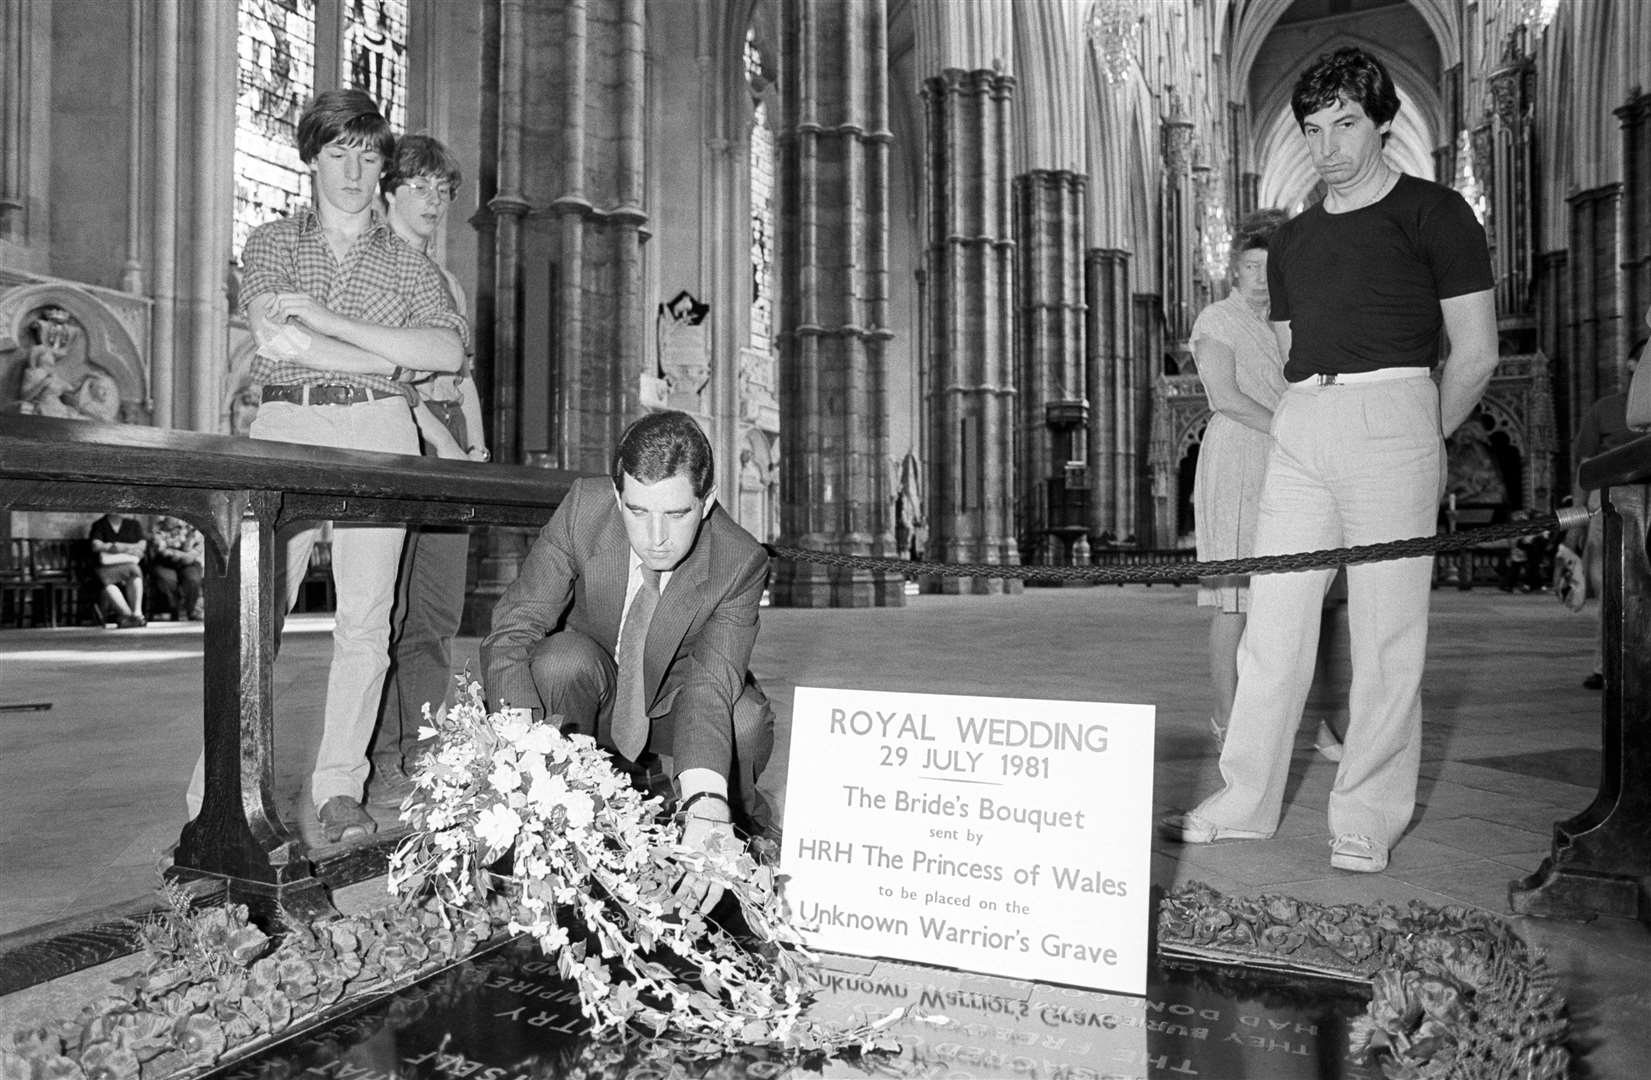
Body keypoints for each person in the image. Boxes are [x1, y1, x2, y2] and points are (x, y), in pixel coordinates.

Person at [1160, 46, 1497, 874]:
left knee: (1387, 634)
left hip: (1395, 410)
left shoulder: (1437, 213)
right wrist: (1304, 413)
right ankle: (1244, 797)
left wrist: (1425, 434)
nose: (1328, 147)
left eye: (1345, 124)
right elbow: (1288, 349)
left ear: (1381, 123)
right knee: (1272, 625)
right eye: (1312, 129)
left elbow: (1477, 352)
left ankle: (1367, 814)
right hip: (1303, 416)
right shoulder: (1296, 240)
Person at [190, 89, 469, 844]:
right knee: (255, 615)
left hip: (381, 434)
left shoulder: (412, 265)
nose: (352, 170)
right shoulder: (272, 240)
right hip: (286, 422)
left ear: (383, 168)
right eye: (337, 153)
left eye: (368, 155)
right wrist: (383, 354)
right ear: (311, 157)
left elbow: (445, 353)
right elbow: (274, 342)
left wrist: (318, 318)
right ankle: (214, 787)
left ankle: (340, 785)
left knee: (366, 622)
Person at [482, 410, 780, 911]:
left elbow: (710, 686)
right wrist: (521, 766)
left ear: (706, 503)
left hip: (676, 705)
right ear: (619, 496)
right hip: (594, 688)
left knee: (744, 718)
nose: (656, 537)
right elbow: (513, 629)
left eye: (677, 514)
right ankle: (571, 805)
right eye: (638, 511)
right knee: (558, 661)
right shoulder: (585, 508)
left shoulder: (738, 560)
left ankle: (743, 824)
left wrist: (708, 807)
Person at [1190, 209, 1344, 758]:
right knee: (1233, 599)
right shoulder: (1216, 319)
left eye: (1269, 266)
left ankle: (1304, 723)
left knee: (1293, 601)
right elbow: (1225, 397)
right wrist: (1292, 428)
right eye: (1251, 266)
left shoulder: (1294, 318)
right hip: (1238, 457)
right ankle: (1228, 718)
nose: (1260, 276)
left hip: (1292, 460)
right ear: (1234, 270)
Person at [368, 134, 489, 806]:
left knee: (437, 614)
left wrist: (474, 448)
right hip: (400, 441)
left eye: (443, 191)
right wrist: (442, 440)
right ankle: (379, 757)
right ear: (387, 189)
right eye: (420, 187)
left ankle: (422, 749)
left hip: (448, 447)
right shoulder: (373, 270)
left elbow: (460, 372)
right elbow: (389, 380)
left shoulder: (446, 282)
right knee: (383, 611)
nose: (435, 202)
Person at [1570, 336, 1648, 689]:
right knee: (1611, 588)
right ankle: (1608, 666)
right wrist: (1575, 521)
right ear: (1634, 367)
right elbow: (1585, 467)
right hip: (1609, 505)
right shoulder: (1606, 409)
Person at [88, 513, 147, 629]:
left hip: (129, 564)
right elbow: (96, 545)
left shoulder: (133, 525)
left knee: (135, 572)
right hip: (106, 566)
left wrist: (118, 546)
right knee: (106, 582)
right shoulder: (100, 525)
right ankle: (129, 615)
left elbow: (142, 545)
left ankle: (137, 613)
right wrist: (128, 548)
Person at [150, 515, 205, 621]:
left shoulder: (190, 526)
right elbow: (163, 551)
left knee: (192, 579)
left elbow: (197, 549)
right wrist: (185, 555)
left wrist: (186, 554)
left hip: (189, 563)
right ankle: (172, 611)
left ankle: (192, 610)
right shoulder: (158, 528)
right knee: (167, 580)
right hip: (166, 562)